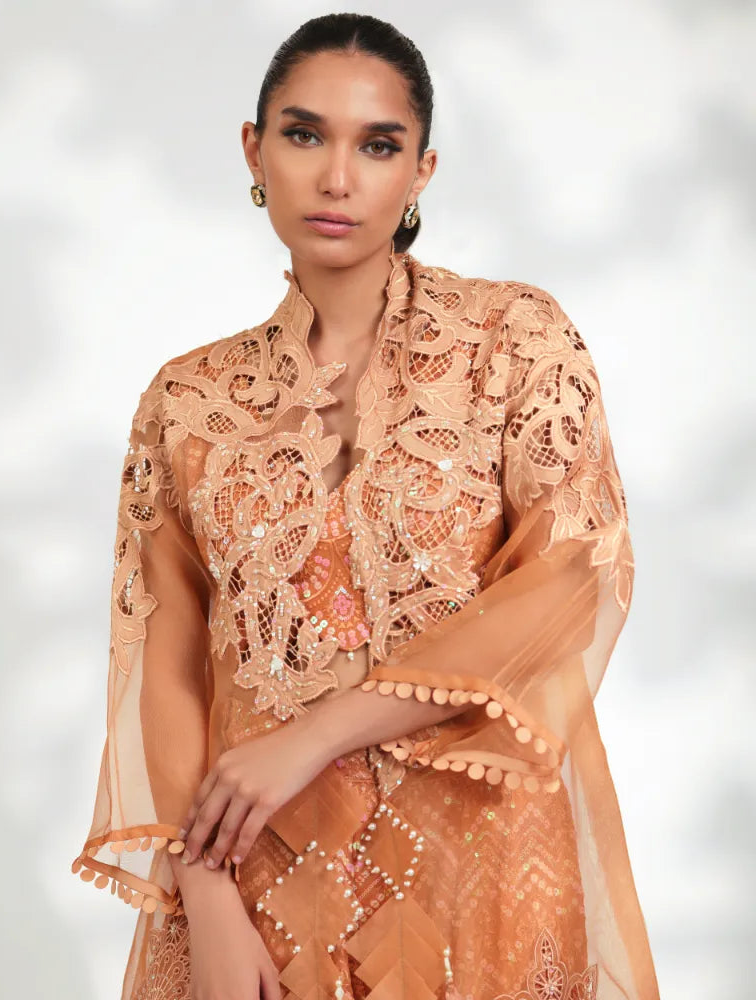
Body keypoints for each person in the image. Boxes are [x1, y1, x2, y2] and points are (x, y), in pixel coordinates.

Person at [71, 13, 661, 1000]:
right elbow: (164, 667)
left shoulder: (512, 342)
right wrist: (205, 897)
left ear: (421, 170)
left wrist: (313, 734)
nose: (337, 178)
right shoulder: (188, 402)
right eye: (304, 135)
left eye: (377, 145)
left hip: (482, 872)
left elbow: (571, 576)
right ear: (254, 150)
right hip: (256, 877)